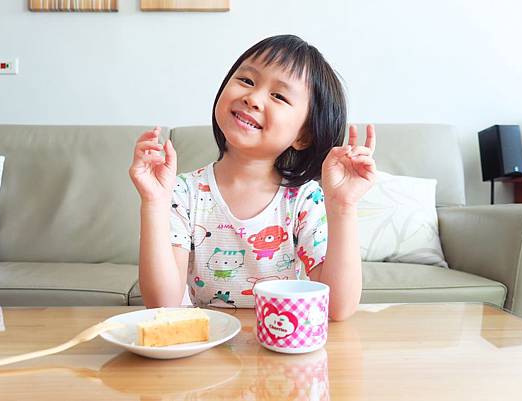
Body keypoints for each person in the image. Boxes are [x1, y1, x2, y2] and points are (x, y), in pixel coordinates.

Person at [129, 34, 376, 321]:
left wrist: (343, 207)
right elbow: (162, 305)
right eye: (246, 81)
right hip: (210, 349)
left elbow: (338, 308)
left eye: (279, 96)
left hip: (283, 346)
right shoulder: (183, 192)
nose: (253, 98)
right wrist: (154, 203)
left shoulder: (303, 199)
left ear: (303, 135)